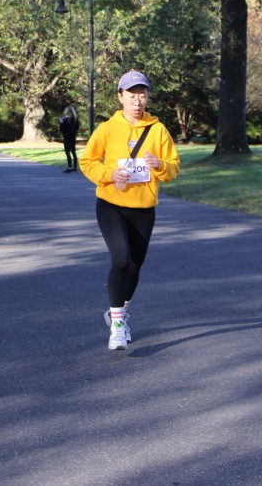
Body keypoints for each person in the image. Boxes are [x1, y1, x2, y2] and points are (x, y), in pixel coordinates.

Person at [79, 70, 180, 350]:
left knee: (135, 266)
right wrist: (109, 174)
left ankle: (119, 314)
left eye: (142, 95)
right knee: (121, 260)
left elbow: (173, 168)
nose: (137, 101)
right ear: (120, 97)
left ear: (147, 97)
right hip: (111, 205)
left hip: (143, 209)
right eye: (132, 96)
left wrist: (159, 164)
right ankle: (117, 327)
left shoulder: (158, 130)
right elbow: (87, 161)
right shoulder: (107, 129)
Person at [59, 105, 80, 173]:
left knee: (67, 151)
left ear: (68, 111)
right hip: (73, 137)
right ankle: (74, 167)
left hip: (67, 137)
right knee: (73, 151)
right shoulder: (76, 119)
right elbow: (76, 128)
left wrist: (61, 122)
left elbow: (63, 129)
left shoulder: (67, 120)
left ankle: (70, 167)